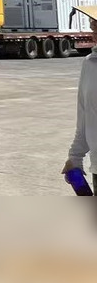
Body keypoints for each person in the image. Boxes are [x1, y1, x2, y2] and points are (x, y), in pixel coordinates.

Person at [64, 46, 97, 187]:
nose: (93, 27)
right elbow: (85, 115)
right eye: (92, 23)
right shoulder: (90, 63)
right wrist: (75, 156)